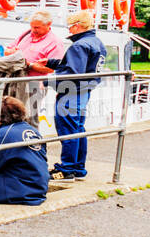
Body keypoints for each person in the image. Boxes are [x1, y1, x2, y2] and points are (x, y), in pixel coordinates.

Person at [37, 10, 106, 180]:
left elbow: (72, 73)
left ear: (77, 26)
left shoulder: (79, 45)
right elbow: (84, 67)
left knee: (67, 130)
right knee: (78, 130)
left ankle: (66, 169)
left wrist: (47, 81)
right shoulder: (97, 43)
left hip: (71, 93)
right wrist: (52, 62)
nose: (69, 30)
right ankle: (78, 168)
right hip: (84, 92)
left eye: (70, 26)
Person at [11, 11, 66, 118]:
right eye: (32, 26)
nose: (33, 30)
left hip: (35, 84)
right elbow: (8, 50)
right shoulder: (26, 34)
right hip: (17, 80)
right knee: (13, 114)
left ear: (48, 24)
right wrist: (12, 52)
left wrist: (28, 65)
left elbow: (51, 69)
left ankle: (30, 134)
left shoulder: (55, 42)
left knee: (30, 116)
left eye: (37, 27)